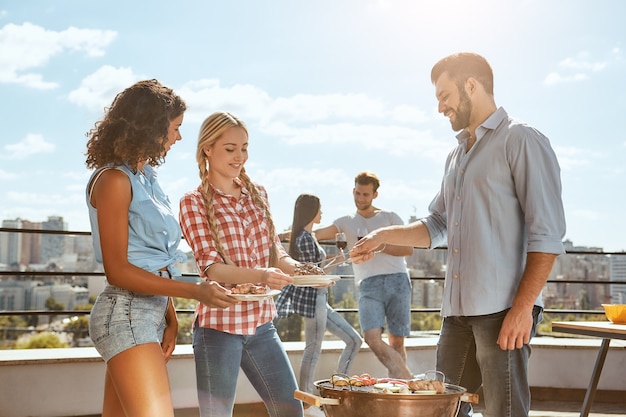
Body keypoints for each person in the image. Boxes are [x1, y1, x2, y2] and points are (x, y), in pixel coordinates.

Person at [350, 52, 567, 417]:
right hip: (457, 313)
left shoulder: (521, 140)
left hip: (503, 311)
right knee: (440, 410)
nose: (440, 107)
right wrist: (382, 236)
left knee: (503, 412)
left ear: (471, 85)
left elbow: (546, 234)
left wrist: (523, 309)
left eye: (444, 95)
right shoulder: (456, 157)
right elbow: (436, 224)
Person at [85, 80, 238, 417]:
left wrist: (170, 317)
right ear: (152, 127)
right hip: (124, 315)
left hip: (149, 314)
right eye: (175, 128)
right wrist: (194, 290)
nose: (178, 138)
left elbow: (154, 259)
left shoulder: (147, 179)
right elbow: (119, 270)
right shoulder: (114, 180)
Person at [179, 111, 304, 417]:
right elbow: (211, 269)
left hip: (261, 324)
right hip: (218, 327)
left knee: (291, 412)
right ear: (208, 148)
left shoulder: (258, 194)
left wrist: (303, 271)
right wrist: (262, 274)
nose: (240, 157)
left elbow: (275, 253)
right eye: (230, 148)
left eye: (244, 148)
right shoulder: (193, 202)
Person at [314, 171, 414, 379]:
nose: (360, 199)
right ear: (353, 191)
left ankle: (399, 395)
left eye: (365, 195)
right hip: (368, 284)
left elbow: (408, 249)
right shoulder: (345, 222)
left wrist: (379, 244)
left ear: (375, 195)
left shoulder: (390, 217)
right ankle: (408, 380)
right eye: (357, 193)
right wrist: (280, 235)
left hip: (398, 280)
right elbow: (314, 234)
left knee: (397, 342)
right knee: (371, 337)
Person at [275, 194, 363, 415]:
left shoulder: (307, 236)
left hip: (321, 300)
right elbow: (310, 276)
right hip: (314, 301)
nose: (322, 212)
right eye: (320, 208)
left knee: (354, 340)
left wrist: (338, 260)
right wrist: (331, 270)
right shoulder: (304, 238)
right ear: (311, 210)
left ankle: (338, 390)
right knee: (313, 351)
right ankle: (305, 401)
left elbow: (315, 270)